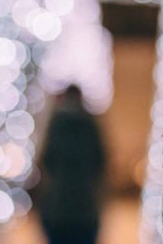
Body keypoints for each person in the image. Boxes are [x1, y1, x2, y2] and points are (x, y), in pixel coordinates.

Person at [34, 85, 106, 244]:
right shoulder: (90, 124)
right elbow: (100, 161)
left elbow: (46, 160)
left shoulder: (56, 124)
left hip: (58, 209)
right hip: (85, 208)